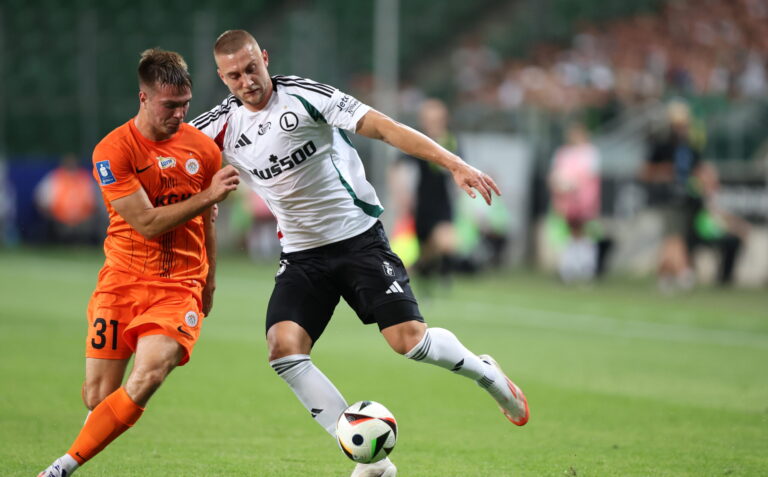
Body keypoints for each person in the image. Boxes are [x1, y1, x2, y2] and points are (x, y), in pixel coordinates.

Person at [192, 30, 529, 477]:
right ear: (221, 77)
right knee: (283, 349)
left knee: (410, 342)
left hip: (358, 239)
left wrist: (454, 163)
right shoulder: (215, 127)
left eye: (252, 68)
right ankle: (373, 463)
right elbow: (162, 154)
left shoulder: (307, 97)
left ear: (265, 58)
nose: (247, 81)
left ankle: (487, 374)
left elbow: (386, 128)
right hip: (302, 255)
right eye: (234, 75)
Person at [37, 48, 240, 477]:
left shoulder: (203, 150)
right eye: (170, 106)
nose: (180, 114)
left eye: (185, 105)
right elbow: (146, 222)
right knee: (98, 398)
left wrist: (210, 281)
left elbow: (207, 221)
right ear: (144, 98)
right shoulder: (113, 150)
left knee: (149, 376)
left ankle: (60, 468)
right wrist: (208, 196)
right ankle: (87, 441)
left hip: (178, 284)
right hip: (122, 280)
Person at [640, 100, 702, 292]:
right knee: (674, 235)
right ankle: (683, 272)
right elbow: (645, 171)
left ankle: (665, 275)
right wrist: (664, 171)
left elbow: (698, 170)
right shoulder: (662, 145)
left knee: (672, 237)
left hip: (685, 197)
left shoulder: (689, 146)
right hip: (666, 196)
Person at [400, 98, 459, 288]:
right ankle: (425, 279)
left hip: (443, 202)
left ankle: (445, 277)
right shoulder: (417, 139)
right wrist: (401, 194)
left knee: (446, 242)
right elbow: (399, 166)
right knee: (426, 250)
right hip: (422, 203)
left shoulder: (450, 140)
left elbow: (461, 166)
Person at [548, 123, 602, 282]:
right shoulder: (563, 153)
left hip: (584, 199)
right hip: (566, 200)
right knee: (569, 233)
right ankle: (569, 268)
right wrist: (560, 185)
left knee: (584, 232)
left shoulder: (590, 153)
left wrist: (573, 185)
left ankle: (586, 268)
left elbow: (590, 176)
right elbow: (555, 175)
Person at [34, 153, 99, 244]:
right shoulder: (54, 178)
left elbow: (95, 202)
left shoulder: (85, 178)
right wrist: (52, 215)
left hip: (83, 219)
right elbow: (41, 201)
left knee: (89, 224)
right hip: (58, 218)